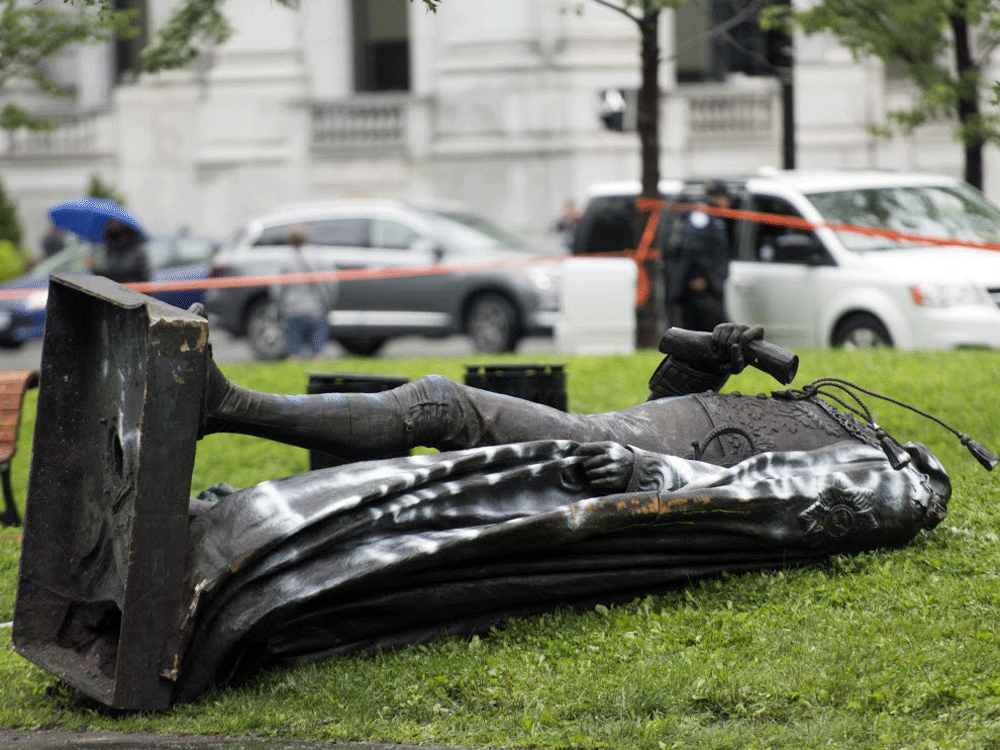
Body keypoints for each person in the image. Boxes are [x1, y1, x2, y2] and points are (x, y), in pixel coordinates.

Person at [665, 180, 733, 331]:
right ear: (719, 197)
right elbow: (691, 246)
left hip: (710, 285)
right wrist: (696, 276)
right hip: (701, 288)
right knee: (706, 329)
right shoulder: (701, 214)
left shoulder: (711, 216)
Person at [271, 224, 333, 360]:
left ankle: (291, 377)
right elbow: (330, 283)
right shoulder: (318, 256)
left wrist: (279, 307)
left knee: (293, 353)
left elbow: (277, 288)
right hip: (316, 310)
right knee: (318, 353)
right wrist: (328, 304)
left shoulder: (284, 259)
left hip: (291, 311)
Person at [93, 217, 150, 284]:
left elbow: (123, 274)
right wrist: (95, 270)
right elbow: (111, 274)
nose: (112, 224)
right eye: (111, 221)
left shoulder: (135, 250)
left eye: (116, 221)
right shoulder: (110, 247)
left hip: (132, 290)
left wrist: (98, 271)